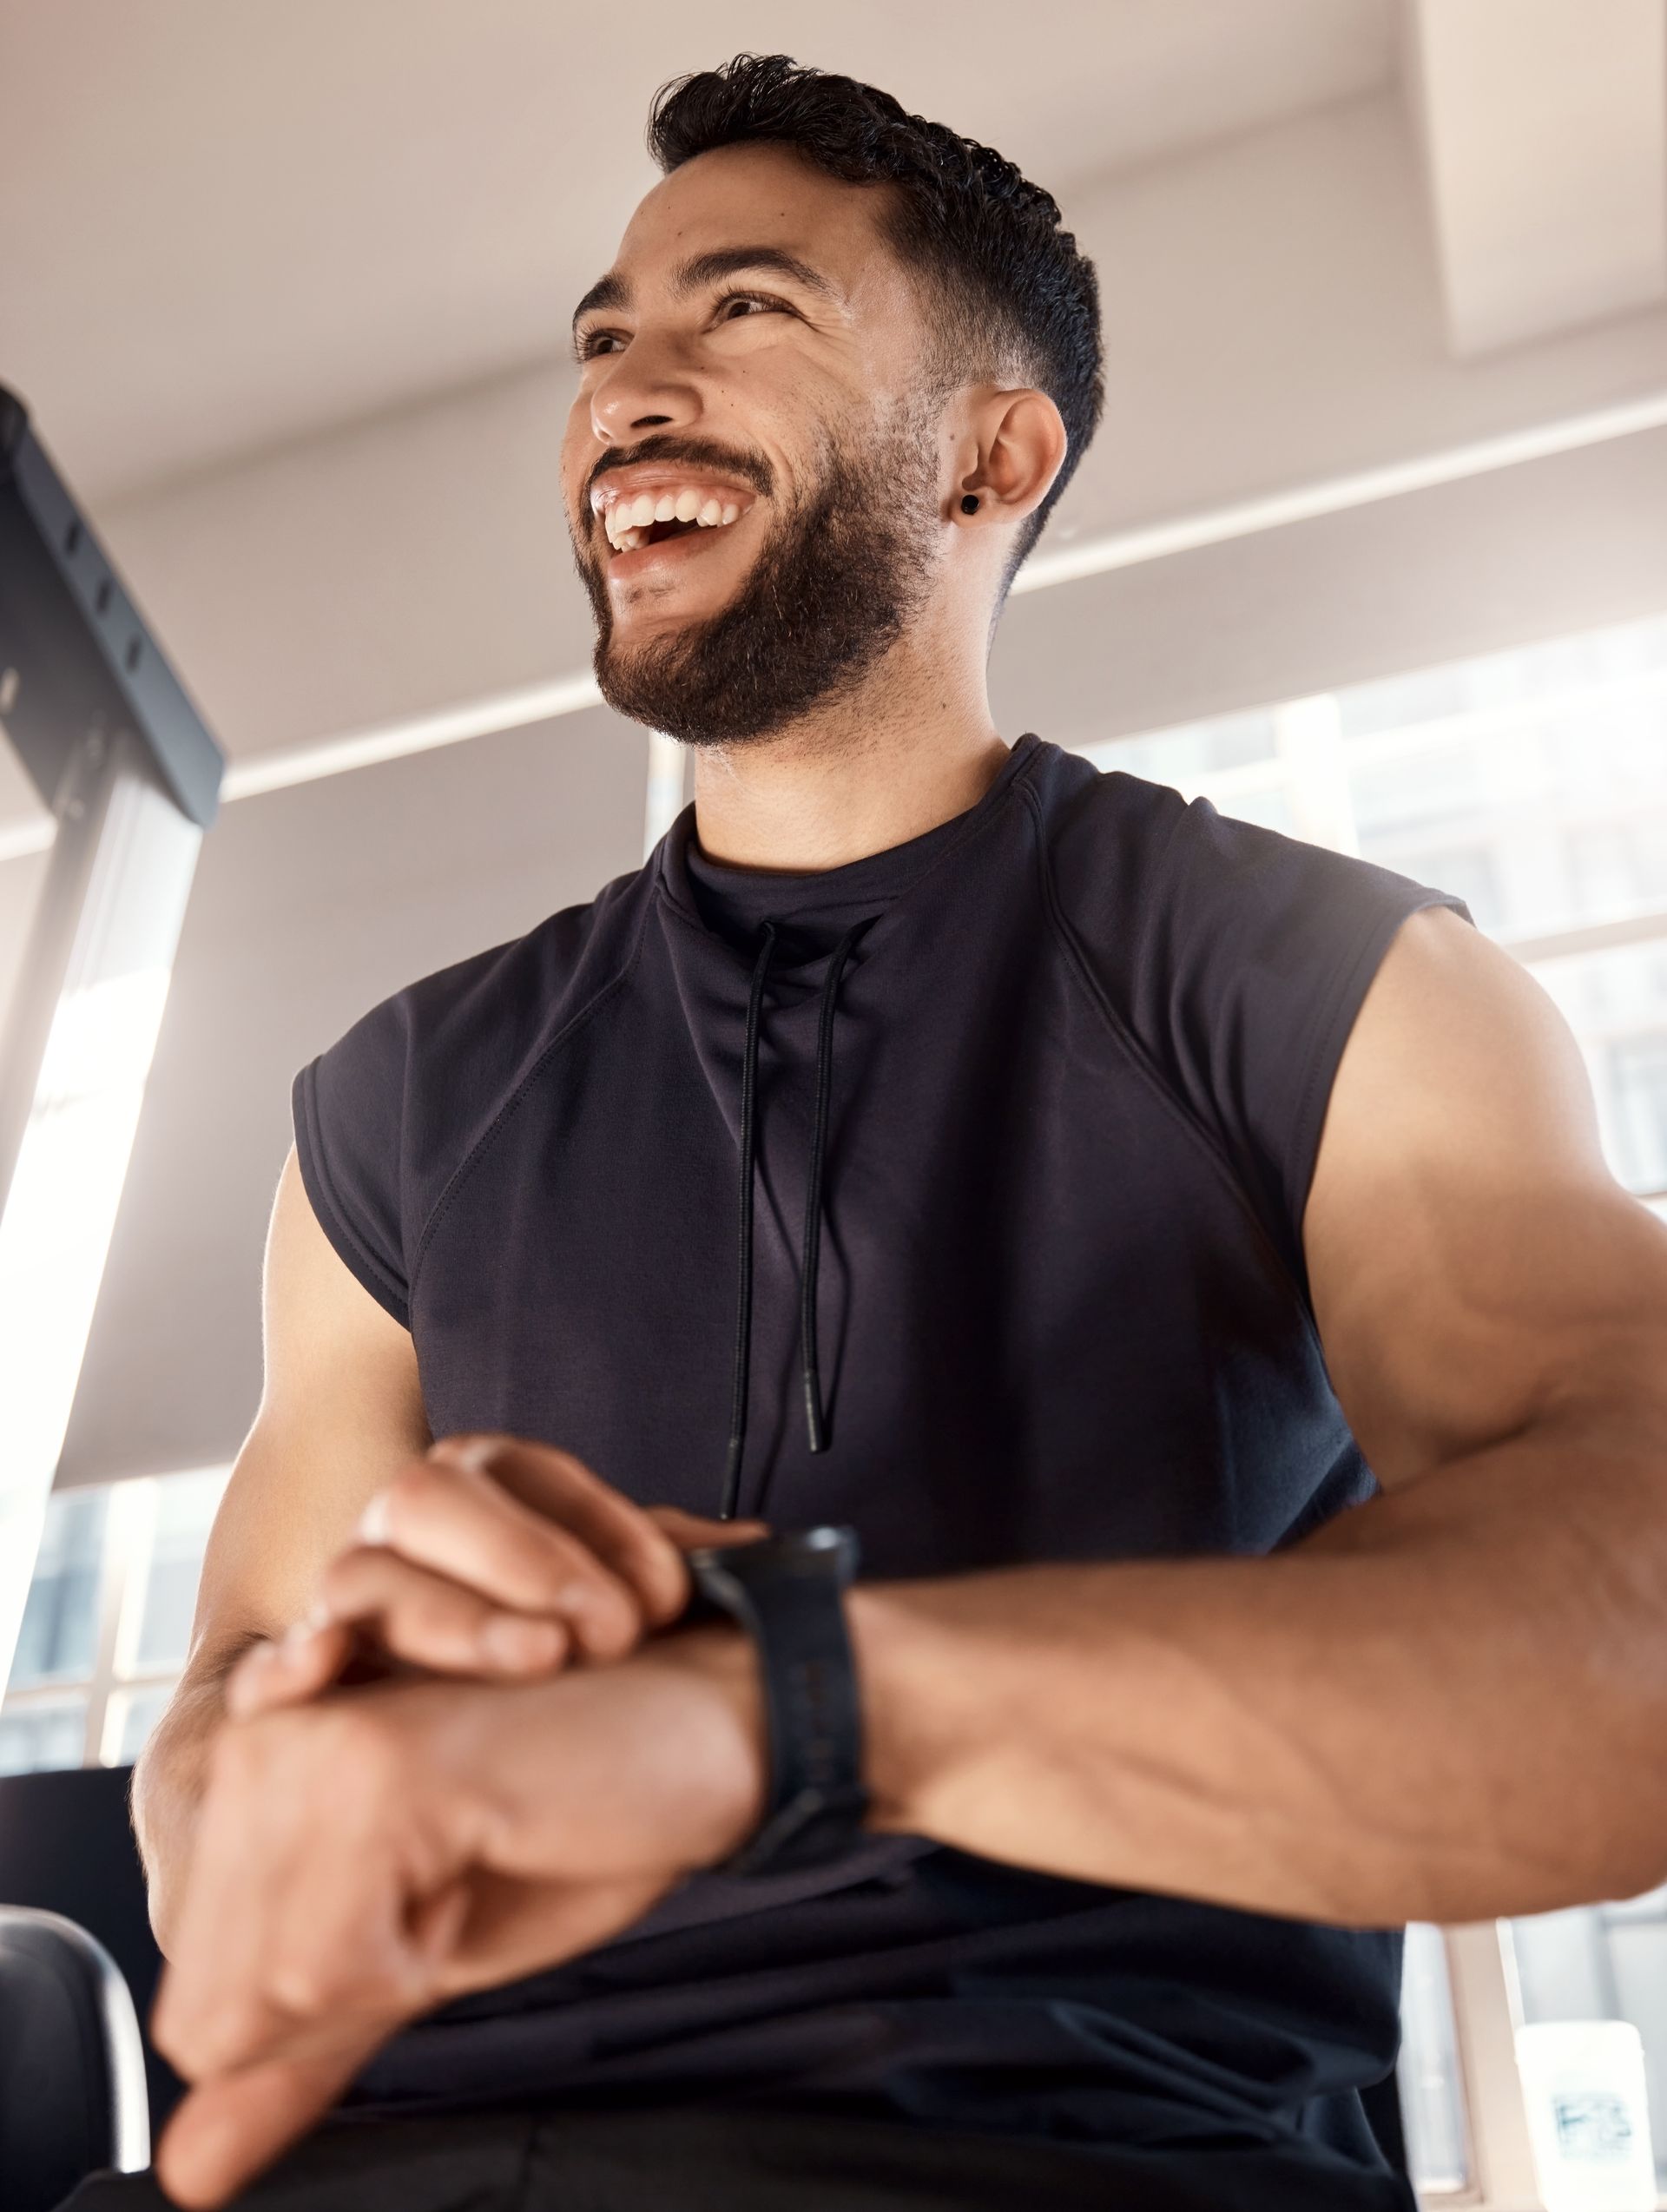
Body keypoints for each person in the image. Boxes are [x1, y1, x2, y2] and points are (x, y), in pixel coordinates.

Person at [84, 51, 1667, 2212]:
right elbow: (222, 1716)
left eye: (744, 310)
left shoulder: (1333, 980)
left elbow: (1633, 1628)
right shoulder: (402, 1095)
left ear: (992, 458)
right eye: (605, 337)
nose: (630, 384)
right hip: (389, 2158)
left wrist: (789, 1699)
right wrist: (280, 1773)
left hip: (1057, 2152)